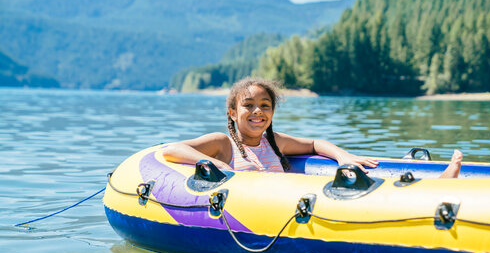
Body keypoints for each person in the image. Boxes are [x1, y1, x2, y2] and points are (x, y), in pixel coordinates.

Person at [163, 77, 462, 178]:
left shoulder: (274, 142)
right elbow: (172, 150)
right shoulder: (223, 142)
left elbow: (316, 144)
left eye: (265, 106)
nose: (258, 112)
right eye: (249, 105)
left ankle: (436, 185)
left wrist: (343, 156)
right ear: (232, 112)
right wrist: (211, 161)